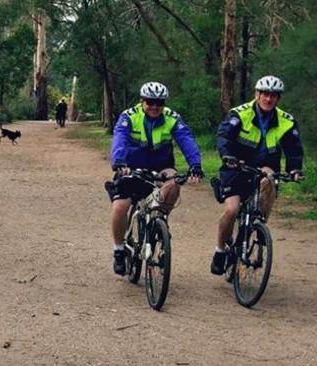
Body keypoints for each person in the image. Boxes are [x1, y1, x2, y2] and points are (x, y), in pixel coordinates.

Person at [211, 75, 304, 275]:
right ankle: (219, 250)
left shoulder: (286, 121)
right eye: (265, 94)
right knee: (232, 210)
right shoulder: (240, 114)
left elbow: (293, 148)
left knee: (270, 180)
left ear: (278, 98)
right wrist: (228, 156)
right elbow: (224, 136)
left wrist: (295, 168)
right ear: (257, 94)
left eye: (273, 96)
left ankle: (259, 224)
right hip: (236, 166)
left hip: (265, 167)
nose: (268, 99)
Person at [109, 82, 204, 275]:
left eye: (159, 103)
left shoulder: (172, 118)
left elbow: (186, 139)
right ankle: (119, 249)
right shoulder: (129, 116)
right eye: (150, 102)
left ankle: (160, 219)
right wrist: (118, 161)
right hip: (131, 167)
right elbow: (119, 137)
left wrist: (195, 165)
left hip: (162, 166)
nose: (154, 106)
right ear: (142, 101)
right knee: (120, 207)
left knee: (174, 183)